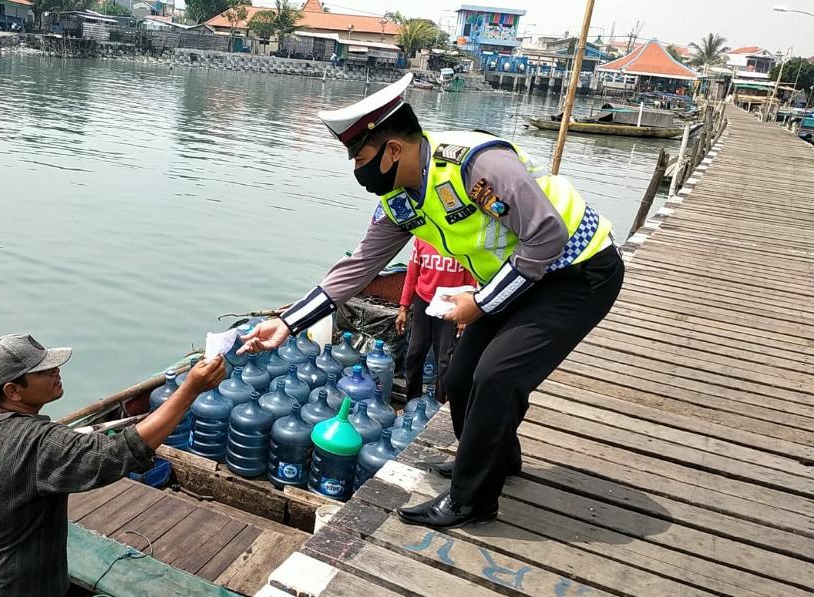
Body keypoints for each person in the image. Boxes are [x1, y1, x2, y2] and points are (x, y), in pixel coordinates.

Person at [238, 73, 624, 529]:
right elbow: (360, 266)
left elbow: (546, 235)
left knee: (497, 376)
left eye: (361, 157)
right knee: (460, 379)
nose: (358, 171)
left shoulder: (476, 165)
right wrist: (288, 323)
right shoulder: (401, 199)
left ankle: (471, 500)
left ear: (393, 150)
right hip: (514, 278)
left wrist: (479, 304)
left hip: (577, 271)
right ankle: (496, 461)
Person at [0, 333, 225, 597]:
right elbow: (121, 451)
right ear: (13, 391)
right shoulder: (43, 443)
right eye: (44, 371)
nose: (56, 371)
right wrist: (189, 390)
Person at [395, 237, 476, 401]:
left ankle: (439, 404)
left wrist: (464, 317)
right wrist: (403, 307)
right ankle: (412, 402)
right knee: (414, 354)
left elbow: (471, 280)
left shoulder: (465, 240)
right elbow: (412, 274)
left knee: (443, 360)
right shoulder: (422, 238)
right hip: (423, 301)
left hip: (450, 306)